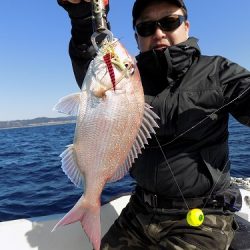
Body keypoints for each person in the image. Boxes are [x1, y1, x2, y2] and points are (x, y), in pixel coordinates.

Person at [57, 0, 250, 249]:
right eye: (146, 27)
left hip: (203, 216)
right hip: (140, 209)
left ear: (187, 26)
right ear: (137, 37)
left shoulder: (220, 72)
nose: (159, 33)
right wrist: (83, 15)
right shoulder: (129, 76)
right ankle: (89, 202)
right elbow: (89, 62)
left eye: (170, 22)